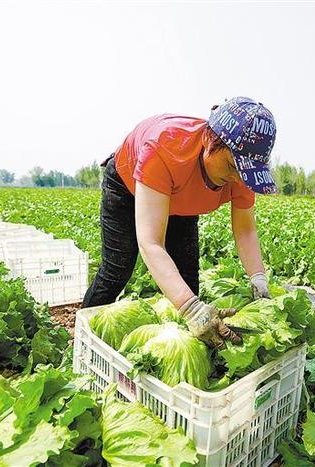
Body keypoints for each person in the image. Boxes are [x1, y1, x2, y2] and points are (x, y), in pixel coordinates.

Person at [83, 97, 278, 349]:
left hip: (182, 198)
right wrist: (190, 308)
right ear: (209, 141)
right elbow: (151, 242)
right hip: (128, 185)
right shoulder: (165, 148)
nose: (237, 178)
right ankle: (83, 338)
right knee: (117, 269)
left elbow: (245, 231)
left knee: (187, 281)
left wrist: (258, 278)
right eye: (231, 166)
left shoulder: (241, 176)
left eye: (245, 172)